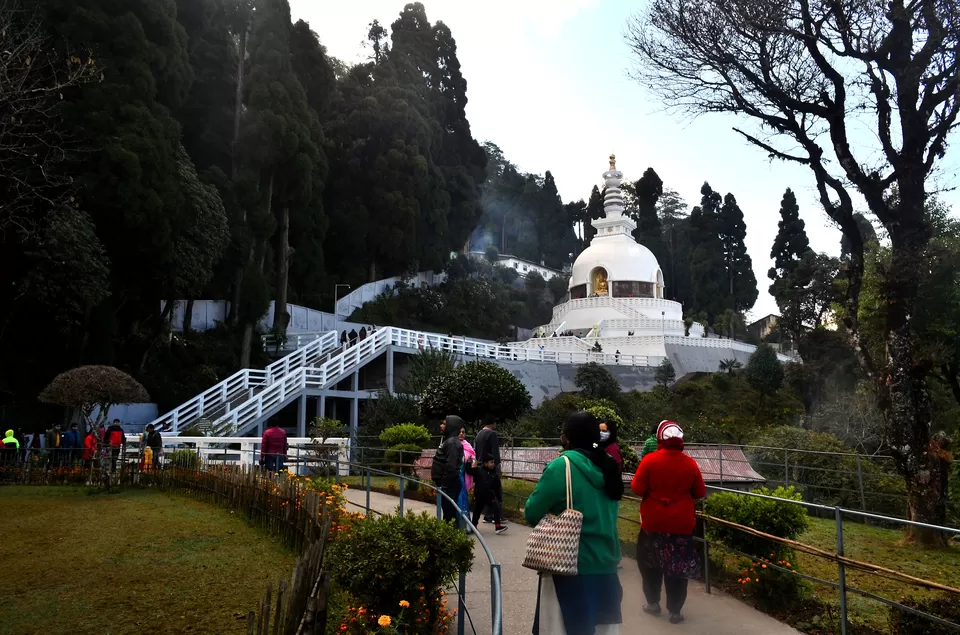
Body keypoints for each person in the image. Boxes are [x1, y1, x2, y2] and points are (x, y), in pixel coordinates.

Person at [525, 411, 624, 635]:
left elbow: (531, 513)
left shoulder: (563, 466)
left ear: (566, 438)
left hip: (570, 568)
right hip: (608, 569)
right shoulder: (609, 465)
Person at [631, 420, 706, 624]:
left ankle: (653, 604)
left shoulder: (649, 461)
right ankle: (675, 611)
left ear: (659, 438)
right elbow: (700, 492)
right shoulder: (690, 464)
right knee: (677, 568)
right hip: (680, 526)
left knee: (650, 565)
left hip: (652, 524)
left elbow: (637, 489)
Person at [431, 415, 465, 524]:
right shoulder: (449, 441)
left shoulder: (452, 443)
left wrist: (444, 486)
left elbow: (450, 467)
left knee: (450, 515)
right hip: (447, 485)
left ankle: (452, 536)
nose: (441, 426)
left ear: (451, 426)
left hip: (449, 486)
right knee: (448, 513)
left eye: (444, 424)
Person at [473, 417, 503, 524]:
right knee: (495, 489)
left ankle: (487, 514)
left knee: (484, 491)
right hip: (490, 465)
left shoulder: (479, 434)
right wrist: (496, 464)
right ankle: (495, 515)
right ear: (493, 423)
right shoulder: (492, 434)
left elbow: (476, 451)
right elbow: (495, 452)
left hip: (481, 465)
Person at [467, 454, 507, 534]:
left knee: (496, 508)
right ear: (485, 463)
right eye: (491, 462)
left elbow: (497, 487)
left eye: (493, 462)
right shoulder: (478, 470)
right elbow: (468, 470)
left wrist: (499, 499)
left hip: (490, 496)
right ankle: (474, 526)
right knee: (477, 511)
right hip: (480, 496)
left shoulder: (494, 474)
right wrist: (469, 462)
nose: (493, 464)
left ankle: (498, 526)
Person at [459, 427, 476, 522]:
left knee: (464, 500)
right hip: (456, 477)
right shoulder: (453, 444)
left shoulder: (468, 446)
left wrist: (471, 461)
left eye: (463, 432)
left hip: (465, 477)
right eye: (459, 432)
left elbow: (475, 462)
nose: (461, 434)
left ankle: (465, 524)